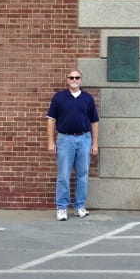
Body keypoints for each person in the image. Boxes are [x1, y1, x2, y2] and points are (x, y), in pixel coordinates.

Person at [46, 69, 99, 221]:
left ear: (81, 80)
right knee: (63, 175)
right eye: (72, 77)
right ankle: (61, 208)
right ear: (67, 80)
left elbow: (94, 122)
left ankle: (79, 206)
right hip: (65, 140)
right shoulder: (59, 98)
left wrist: (95, 143)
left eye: (77, 77)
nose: (74, 79)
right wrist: (51, 142)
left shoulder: (88, 98)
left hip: (84, 139)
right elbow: (51, 120)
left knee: (82, 175)